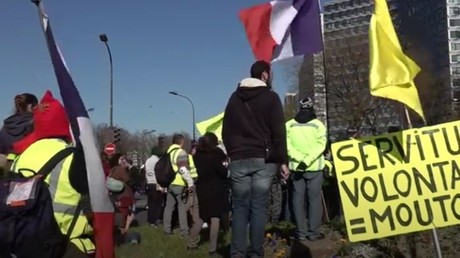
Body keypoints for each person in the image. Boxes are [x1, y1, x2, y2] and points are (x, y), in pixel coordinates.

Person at [10, 91, 95, 256]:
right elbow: (93, 199)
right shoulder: (73, 156)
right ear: (64, 124)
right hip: (68, 244)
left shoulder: (19, 158)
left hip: (27, 243)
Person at [222, 60, 290, 258]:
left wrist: (233, 152)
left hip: (238, 159)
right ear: (265, 75)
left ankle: (237, 253)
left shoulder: (234, 99)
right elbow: (279, 131)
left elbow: (226, 131)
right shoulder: (271, 97)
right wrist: (283, 161)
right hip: (264, 159)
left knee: (240, 207)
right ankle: (256, 253)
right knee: (258, 206)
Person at [286, 97, 327, 241]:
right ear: (312, 107)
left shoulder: (289, 125)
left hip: (296, 169)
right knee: (314, 200)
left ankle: (301, 233)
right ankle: (313, 232)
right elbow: (321, 146)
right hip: (315, 168)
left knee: (297, 200)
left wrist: (299, 160)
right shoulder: (318, 125)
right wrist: (307, 160)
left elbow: (287, 146)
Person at [187, 133, 230, 256]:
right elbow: (222, 171)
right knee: (215, 217)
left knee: (202, 216)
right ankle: (212, 248)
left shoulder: (197, 156)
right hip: (215, 188)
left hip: (202, 188)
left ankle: (191, 242)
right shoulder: (215, 154)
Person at [163, 134, 194, 237]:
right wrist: (190, 182)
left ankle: (167, 230)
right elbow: (182, 169)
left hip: (169, 182)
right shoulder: (181, 152)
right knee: (182, 207)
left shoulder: (168, 153)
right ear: (181, 142)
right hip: (179, 182)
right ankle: (184, 231)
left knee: (169, 207)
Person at [0, 93, 38, 173]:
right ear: (31, 106)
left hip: (6, 171)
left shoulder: (6, 125)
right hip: (29, 170)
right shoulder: (35, 123)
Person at [145, 146, 164, 227]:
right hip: (156, 183)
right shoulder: (158, 161)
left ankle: (150, 220)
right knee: (158, 203)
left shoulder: (148, 160)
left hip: (149, 182)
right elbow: (160, 173)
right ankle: (156, 219)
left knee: (151, 203)